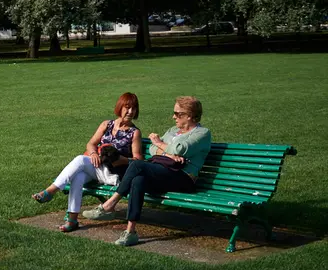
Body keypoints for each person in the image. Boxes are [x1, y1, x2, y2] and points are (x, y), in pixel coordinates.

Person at [83, 96, 212, 246]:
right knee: (139, 179)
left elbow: (179, 148)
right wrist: (168, 153)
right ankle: (130, 232)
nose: (173, 117)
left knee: (138, 166)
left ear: (189, 115)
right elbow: (152, 149)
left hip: (184, 178)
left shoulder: (202, 133)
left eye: (177, 114)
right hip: (163, 172)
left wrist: (160, 143)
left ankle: (110, 204)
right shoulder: (173, 131)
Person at [32, 93, 143, 232]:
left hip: (112, 173)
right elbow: (91, 143)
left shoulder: (134, 132)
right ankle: (72, 220)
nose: (131, 112)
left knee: (79, 160)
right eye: (127, 107)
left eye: (134, 108)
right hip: (97, 168)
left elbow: (139, 160)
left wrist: (122, 159)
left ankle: (51, 190)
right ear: (120, 107)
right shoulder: (107, 124)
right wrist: (93, 153)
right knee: (78, 176)